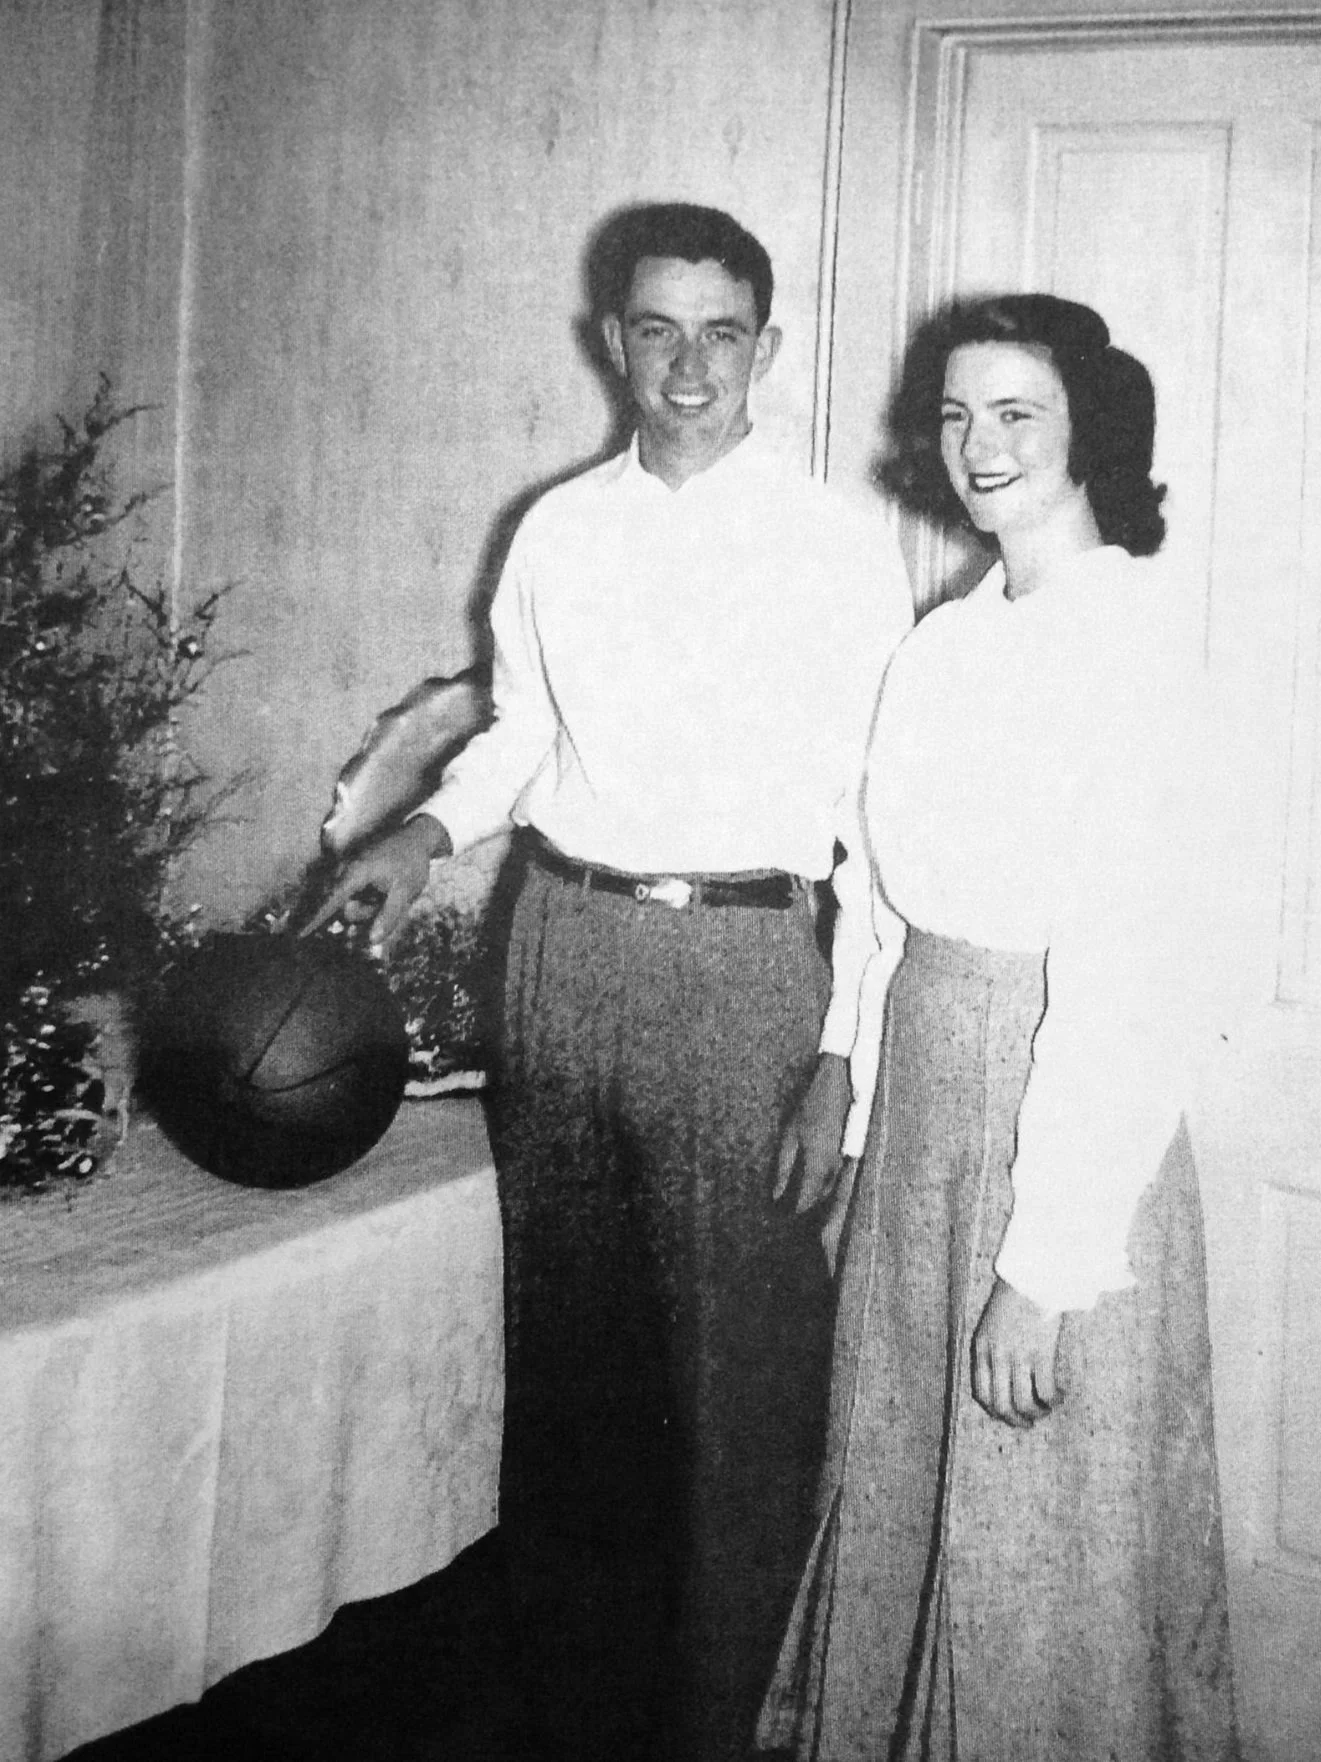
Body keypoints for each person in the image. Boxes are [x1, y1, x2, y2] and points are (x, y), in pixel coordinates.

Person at [311, 202, 913, 1762]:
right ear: (612, 344)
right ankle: (579, 1712)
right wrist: (424, 832)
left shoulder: (839, 550)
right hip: (560, 947)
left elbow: (875, 823)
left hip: (746, 968)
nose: (690, 363)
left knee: (745, 1381)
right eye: (658, 328)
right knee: (572, 1366)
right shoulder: (559, 529)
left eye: (723, 332)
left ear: (766, 349)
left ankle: (740, 1727)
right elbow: (523, 735)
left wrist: (844, 1049)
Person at [758, 294, 1242, 1761]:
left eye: (1015, 412)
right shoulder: (947, 642)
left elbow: (1132, 984)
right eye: (956, 415)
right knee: (903, 1464)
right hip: (923, 1114)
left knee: (1042, 1516)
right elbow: (878, 893)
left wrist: (1042, 1268)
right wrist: (846, 1086)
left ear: (1090, 427)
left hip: (1060, 1138)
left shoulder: (1136, 643)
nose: (977, 445)